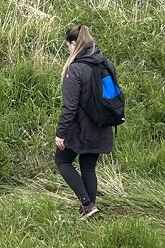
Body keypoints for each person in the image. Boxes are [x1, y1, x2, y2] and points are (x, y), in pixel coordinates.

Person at [55, 25, 117, 219]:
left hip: (81, 129)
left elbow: (69, 107)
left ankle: (87, 204)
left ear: (74, 44)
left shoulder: (75, 70)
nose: (68, 50)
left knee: (62, 161)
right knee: (88, 167)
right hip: (102, 125)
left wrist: (61, 133)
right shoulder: (106, 63)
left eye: (68, 46)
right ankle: (89, 209)